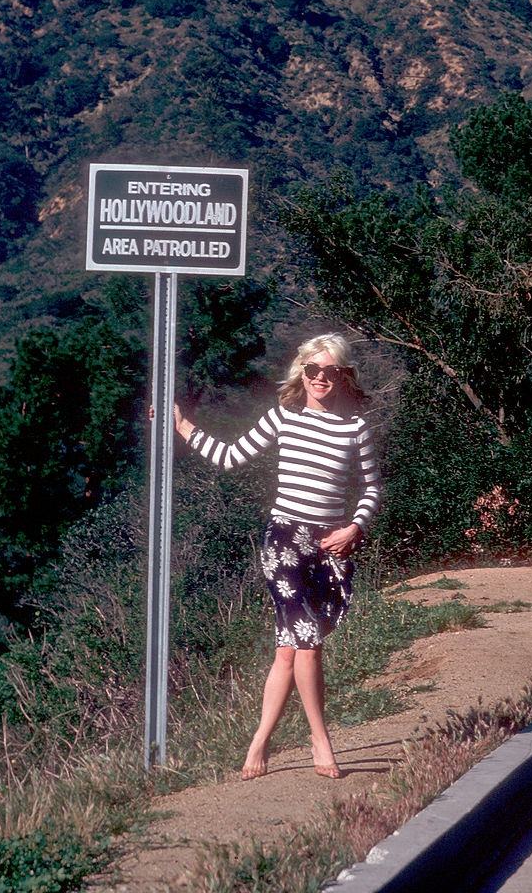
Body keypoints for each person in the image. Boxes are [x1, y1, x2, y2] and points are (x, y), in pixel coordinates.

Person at [173, 333, 381, 781]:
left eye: (330, 371)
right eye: (312, 370)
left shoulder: (355, 428)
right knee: (308, 643)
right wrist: (184, 427)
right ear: (301, 373)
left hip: (328, 549)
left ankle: (259, 742)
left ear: (343, 375)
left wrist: (354, 528)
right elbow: (230, 457)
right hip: (284, 542)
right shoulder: (283, 417)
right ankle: (321, 742)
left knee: (287, 652)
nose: (320, 379)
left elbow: (371, 488)